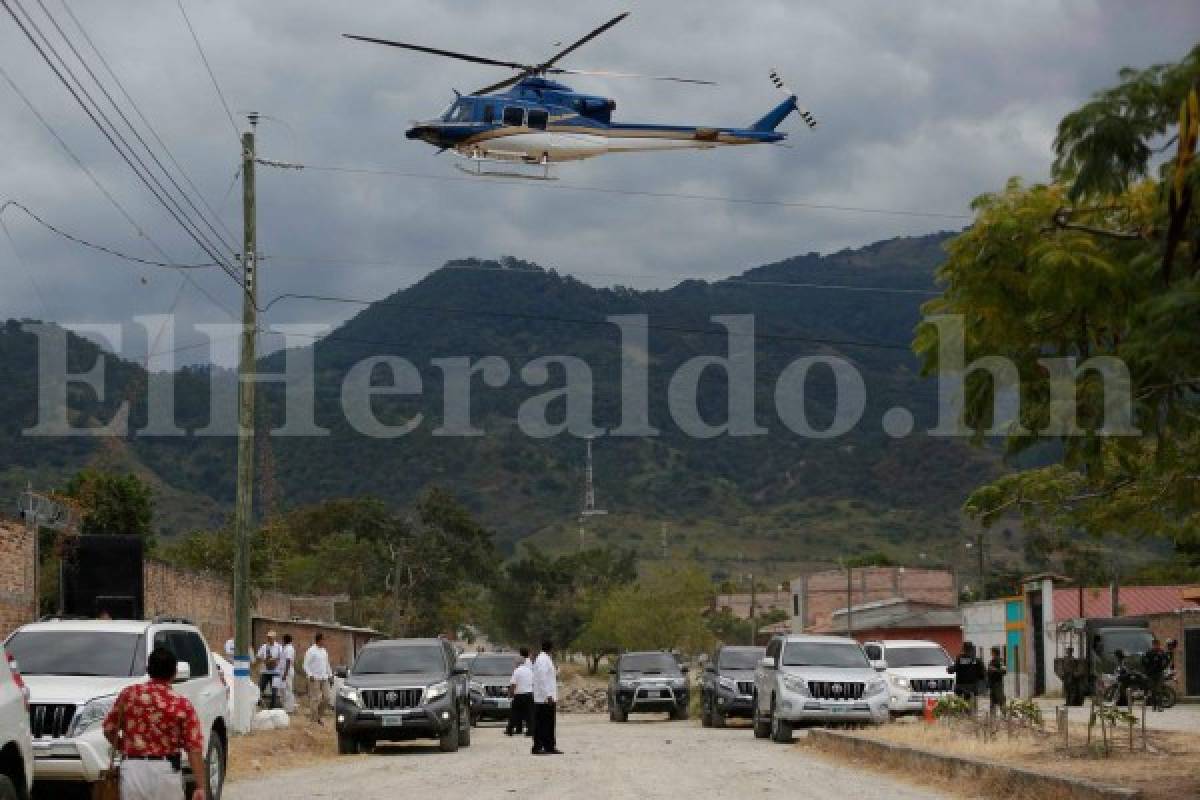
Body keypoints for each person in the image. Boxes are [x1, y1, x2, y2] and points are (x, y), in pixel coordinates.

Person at [102, 645, 206, 800]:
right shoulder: (181, 704)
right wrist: (200, 786)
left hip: (132, 770)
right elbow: (194, 748)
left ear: (148, 669)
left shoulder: (129, 695)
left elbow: (109, 729)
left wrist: (126, 746)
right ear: (174, 673)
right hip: (166, 772)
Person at [531, 639, 561, 755]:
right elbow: (542, 678)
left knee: (549, 724)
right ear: (551, 648)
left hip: (549, 697)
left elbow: (549, 676)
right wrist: (548, 695)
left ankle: (549, 746)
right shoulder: (543, 660)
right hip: (544, 698)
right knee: (541, 724)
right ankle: (537, 747)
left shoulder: (546, 659)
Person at [303, 633, 335, 725]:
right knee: (315, 699)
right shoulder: (311, 651)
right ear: (319, 640)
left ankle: (318, 716)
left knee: (327, 698)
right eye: (323, 639)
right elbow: (305, 665)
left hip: (324, 677)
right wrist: (310, 675)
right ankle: (314, 720)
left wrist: (330, 675)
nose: (324, 641)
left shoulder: (324, 651)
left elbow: (327, 664)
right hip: (314, 678)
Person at [948, 641, 984, 708]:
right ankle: (972, 714)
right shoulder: (976, 660)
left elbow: (954, 669)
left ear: (964, 649)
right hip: (973, 686)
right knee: (972, 705)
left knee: (959, 704)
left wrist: (949, 669)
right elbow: (982, 673)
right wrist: (979, 678)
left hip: (961, 685)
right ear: (971, 649)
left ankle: (961, 713)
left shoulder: (960, 659)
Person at [507, 648, 534, 737]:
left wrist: (510, 695)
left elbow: (513, 684)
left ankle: (510, 729)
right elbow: (533, 683)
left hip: (519, 695)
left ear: (518, 663)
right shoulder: (530, 671)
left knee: (514, 713)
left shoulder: (517, 671)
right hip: (529, 694)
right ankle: (530, 730)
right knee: (529, 714)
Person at [1142, 638, 1170, 712]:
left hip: (1159, 673)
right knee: (1153, 690)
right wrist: (1147, 671)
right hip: (1151, 674)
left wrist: (1163, 667)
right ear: (1153, 645)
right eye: (1155, 645)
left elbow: (1167, 660)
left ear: (1159, 645)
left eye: (1157, 645)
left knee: (1159, 690)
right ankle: (1154, 706)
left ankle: (1160, 706)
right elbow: (1144, 662)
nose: (1156, 646)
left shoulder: (1161, 652)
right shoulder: (1149, 653)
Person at [257, 631, 282, 709]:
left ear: (274, 638)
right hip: (265, 671)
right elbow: (258, 656)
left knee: (274, 691)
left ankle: (272, 707)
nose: (269, 638)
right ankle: (258, 704)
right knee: (260, 688)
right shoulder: (264, 647)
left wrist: (273, 660)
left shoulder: (279, 647)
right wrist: (264, 660)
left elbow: (281, 658)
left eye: (271, 637)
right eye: (268, 637)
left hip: (276, 672)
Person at [986, 646, 1007, 713]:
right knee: (992, 702)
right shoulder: (991, 661)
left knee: (1001, 701)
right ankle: (992, 719)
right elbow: (989, 672)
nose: (991, 653)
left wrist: (995, 670)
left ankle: (1004, 716)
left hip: (998, 684)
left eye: (992, 652)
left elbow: (1004, 671)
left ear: (994, 653)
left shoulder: (1001, 661)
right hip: (992, 684)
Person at [280, 634, 297, 713]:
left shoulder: (289, 649)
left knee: (288, 690)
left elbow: (288, 661)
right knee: (284, 690)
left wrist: (285, 674)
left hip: (287, 672)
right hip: (285, 671)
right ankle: (286, 707)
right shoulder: (287, 648)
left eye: (283, 640)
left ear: (285, 640)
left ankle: (289, 709)